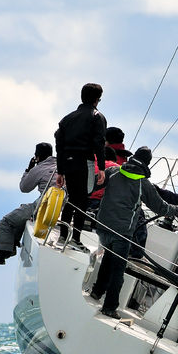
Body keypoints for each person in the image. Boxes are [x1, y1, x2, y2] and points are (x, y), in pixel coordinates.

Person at [89, 147, 178, 319]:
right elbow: (160, 207)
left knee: (108, 258)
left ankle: (97, 292)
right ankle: (110, 307)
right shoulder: (143, 183)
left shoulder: (114, 171)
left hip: (103, 225)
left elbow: (95, 184)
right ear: (147, 163)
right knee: (117, 270)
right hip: (122, 232)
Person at [0, 142, 57, 265]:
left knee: (8, 221)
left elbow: (24, 188)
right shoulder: (63, 165)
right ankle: (8, 248)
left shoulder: (39, 168)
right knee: (23, 213)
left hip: (45, 203)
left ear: (37, 156)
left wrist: (29, 169)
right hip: (65, 203)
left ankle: (2, 254)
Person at [55, 82, 107, 246]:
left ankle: (63, 236)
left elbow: (59, 146)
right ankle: (76, 239)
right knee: (83, 200)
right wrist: (103, 168)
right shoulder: (97, 116)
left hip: (68, 162)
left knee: (72, 198)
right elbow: (99, 143)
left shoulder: (66, 119)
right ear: (97, 99)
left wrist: (60, 171)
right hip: (85, 161)